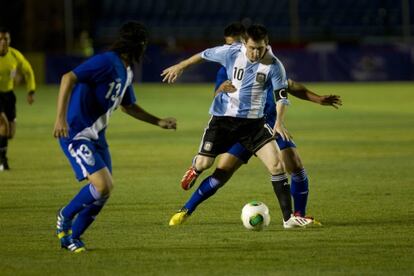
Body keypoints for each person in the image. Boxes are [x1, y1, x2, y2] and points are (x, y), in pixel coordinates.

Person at [168, 23, 342, 227]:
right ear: (243, 44)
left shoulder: (274, 65)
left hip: (262, 125)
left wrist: (311, 102)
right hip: (228, 123)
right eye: (251, 47)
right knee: (218, 172)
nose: (256, 52)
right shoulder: (229, 59)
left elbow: (288, 88)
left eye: (260, 47)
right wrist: (181, 67)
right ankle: (187, 207)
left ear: (266, 44)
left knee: (289, 165)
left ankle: (293, 216)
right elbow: (214, 86)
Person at [53, 21, 177, 253]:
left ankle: (72, 238)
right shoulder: (106, 61)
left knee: (104, 192)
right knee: (102, 185)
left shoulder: (126, 71)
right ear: (138, 45)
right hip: (77, 133)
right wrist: (60, 118)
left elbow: (128, 106)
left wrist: (158, 121)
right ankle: (65, 217)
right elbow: (67, 78)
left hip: (97, 138)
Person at [0, 27, 36, 171]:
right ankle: (3, 161)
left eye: (5, 39)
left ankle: (2, 150)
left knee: (9, 133)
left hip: (9, 95)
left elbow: (28, 71)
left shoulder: (15, 55)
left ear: (9, 40)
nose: (2, 42)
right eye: (0, 39)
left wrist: (31, 91)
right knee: (3, 124)